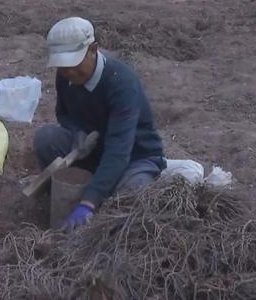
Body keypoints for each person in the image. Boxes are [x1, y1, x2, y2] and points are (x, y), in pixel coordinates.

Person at [34, 17, 166, 232]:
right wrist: (77, 133)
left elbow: (119, 151)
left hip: (134, 157)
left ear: (93, 49)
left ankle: (94, 203)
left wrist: (88, 203)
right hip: (93, 152)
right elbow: (64, 115)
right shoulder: (65, 77)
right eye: (63, 67)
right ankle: (58, 201)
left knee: (133, 194)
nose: (69, 73)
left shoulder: (121, 83)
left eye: (74, 65)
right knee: (46, 138)